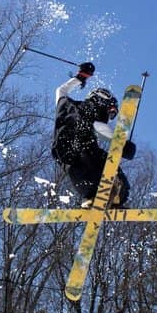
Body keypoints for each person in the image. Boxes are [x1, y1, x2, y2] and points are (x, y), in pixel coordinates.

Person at [51, 61, 136, 208]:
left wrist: (80, 77)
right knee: (102, 158)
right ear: (103, 99)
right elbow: (98, 126)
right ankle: (117, 192)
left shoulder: (66, 105)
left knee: (85, 182)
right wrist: (122, 144)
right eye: (110, 112)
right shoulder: (90, 110)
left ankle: (90, 198)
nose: (109, 117)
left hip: (64, 156)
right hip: (85, 152)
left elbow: (60, 90)